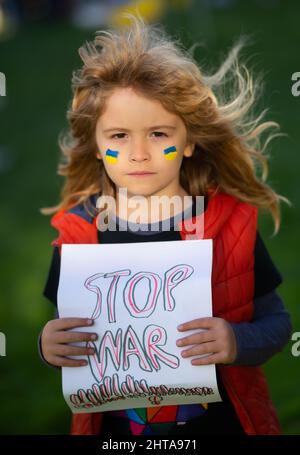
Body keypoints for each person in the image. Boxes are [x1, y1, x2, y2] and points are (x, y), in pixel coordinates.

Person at [39, 14, 292, 435]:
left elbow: (277, 324)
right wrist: (48, 347)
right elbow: (66, 334)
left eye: (158, 133)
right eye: (119, 136)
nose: (138, 153)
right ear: (98, 147)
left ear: (189, 141)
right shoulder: (78, 237)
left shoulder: (229, 227)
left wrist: (235, 341)